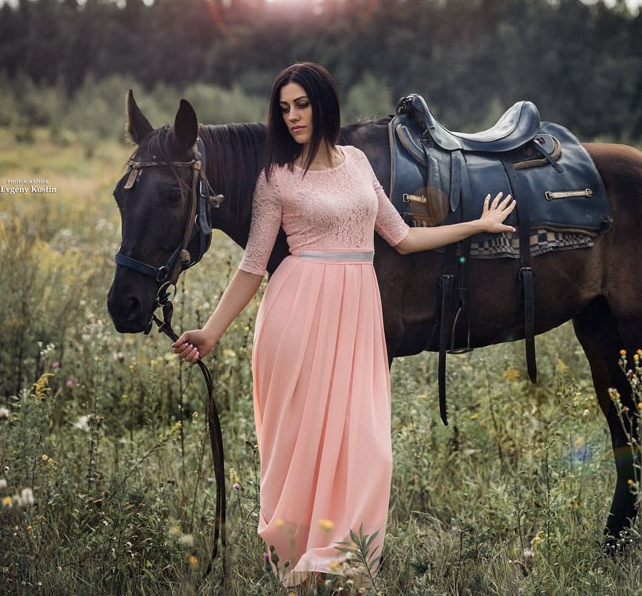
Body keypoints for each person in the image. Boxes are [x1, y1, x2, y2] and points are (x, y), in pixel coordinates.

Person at [171, 62, 515, 586]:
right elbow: (253, 265)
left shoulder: (356, 162)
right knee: (302, 442)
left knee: (367, 445)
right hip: (298, 309)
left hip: (357, 312)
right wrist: (212, 330)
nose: (293, 116)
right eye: (284, 108)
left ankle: (346, 558)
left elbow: (402, 237)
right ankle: (299, 557)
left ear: (323, 104)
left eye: (301, 104)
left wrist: (477, 225)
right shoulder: (276, 177)